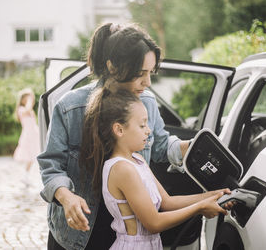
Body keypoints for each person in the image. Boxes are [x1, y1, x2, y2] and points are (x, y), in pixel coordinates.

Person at [37, 23, 193, 250]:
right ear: (112, 66)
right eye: (140, 74)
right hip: (78, 233)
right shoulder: (70, 107)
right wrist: (66, 197)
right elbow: (51, 166)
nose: (147, 82)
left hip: (127, 232)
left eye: (150, 73)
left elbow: (160, 145)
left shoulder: (147, 102)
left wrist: (189, 147)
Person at [79, 87, 232, 249]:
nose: (148, 130)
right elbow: (153, 223)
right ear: (119, 129)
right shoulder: (121, 169)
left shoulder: (137, 160)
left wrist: (212, 196)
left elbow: (167, 202)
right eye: (142, 125)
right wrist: (200, 208)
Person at [13, 88, 40, 187]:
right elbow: (27, 110)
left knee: (33, 156)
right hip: (28, 135)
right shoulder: (21, 109)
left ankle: (26, 175)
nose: (31, 101)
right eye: (29, 98)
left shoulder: (28, 110)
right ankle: (25, 175)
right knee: (30, 156)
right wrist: (29, 100)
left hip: (33, 133)